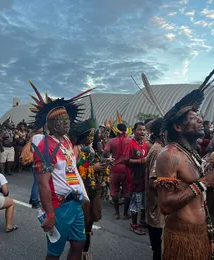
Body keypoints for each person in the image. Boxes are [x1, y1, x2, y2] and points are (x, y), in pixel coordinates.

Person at [155, 88, 214, 259]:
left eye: (198, 117)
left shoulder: (191, 154)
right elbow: (165, 206)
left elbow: (200, 197)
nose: (200, 120)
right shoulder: (169, 155)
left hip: (201, 232)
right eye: (193, 118)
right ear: (177, 126)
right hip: (182, 236)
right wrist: (203, 183)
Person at [29, 80, 91, 260]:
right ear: (52, 124)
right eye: (61, 121)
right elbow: (43, 184)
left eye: (67, 120)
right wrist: (49, 214)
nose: (66, 123)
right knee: (54, 252)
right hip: (59, 206)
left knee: (79, 243)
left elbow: (70, 170)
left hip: (75, 203)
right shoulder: (44, 147)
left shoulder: (66, 141)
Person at [71, 118, 108, 260]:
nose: (91, 138)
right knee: (82, 221)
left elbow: (92, 164)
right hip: (81, 190)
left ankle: (85, 252)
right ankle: (78, 252)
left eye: (93, 136)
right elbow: (72, 171)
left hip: (93, 188)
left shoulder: (91, 148)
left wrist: (103, 164)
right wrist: (94, 168)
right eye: (89, 135)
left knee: (90, 221)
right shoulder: (76, 149)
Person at [145, 118, 165, 260]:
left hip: (158, 208)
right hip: (158, 209)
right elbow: (153, 183)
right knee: (159, 250)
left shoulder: (160, 148)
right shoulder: (159, 151)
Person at [124, 122, 148, 235]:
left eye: (144, 130)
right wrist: (140, 161)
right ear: (134, 131)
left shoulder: (144, 144)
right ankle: (134, 225)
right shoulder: (130, 143)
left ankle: (141, 221)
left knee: (142, 202)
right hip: (134, 179)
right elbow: (126, 160)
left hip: (143, 179)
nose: (142, 132)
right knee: (135, 202)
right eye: (139, 130)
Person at [103, 123, 131, 220]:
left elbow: (105, 152)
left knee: (114, 190)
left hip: (115, 168)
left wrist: (110, 158)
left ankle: (116, 213)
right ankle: (125, 214)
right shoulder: (130, 141)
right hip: (127, 168)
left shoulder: (112, 141)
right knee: (127, 191)